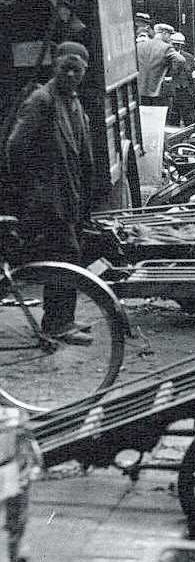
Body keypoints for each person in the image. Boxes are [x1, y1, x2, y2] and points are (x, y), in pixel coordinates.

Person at [5, 41, 94, 342]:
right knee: (66, 255)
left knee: (67, 257)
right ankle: (57, 324)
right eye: (65, 68)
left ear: (84, 71)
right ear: (54, 67)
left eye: (76, 70)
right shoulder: (41, 101)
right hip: (47, 200)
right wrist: (32, 189)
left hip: (67, 196)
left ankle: (61, 320)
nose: (70, 74)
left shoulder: (72, 101)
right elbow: (15, 149)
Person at [137, 22, 183, 106]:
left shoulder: (140, 45)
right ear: (164, 33)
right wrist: (170, 72)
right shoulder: (166, 47)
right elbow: (181, 60)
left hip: (141, 90)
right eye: (169, 35)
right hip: (160, 92)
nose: (170, 38)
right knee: (161, 117)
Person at [165, 32, 195, 127]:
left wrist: (194, 92)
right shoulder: (166, 57)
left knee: (189, 118)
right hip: (173, 92)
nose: (175, 47)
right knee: (173, 118)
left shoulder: (189, 57)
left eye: (178, 45)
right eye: (174, 44)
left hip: (186, 92)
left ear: (182, 45)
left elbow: (193, 74)